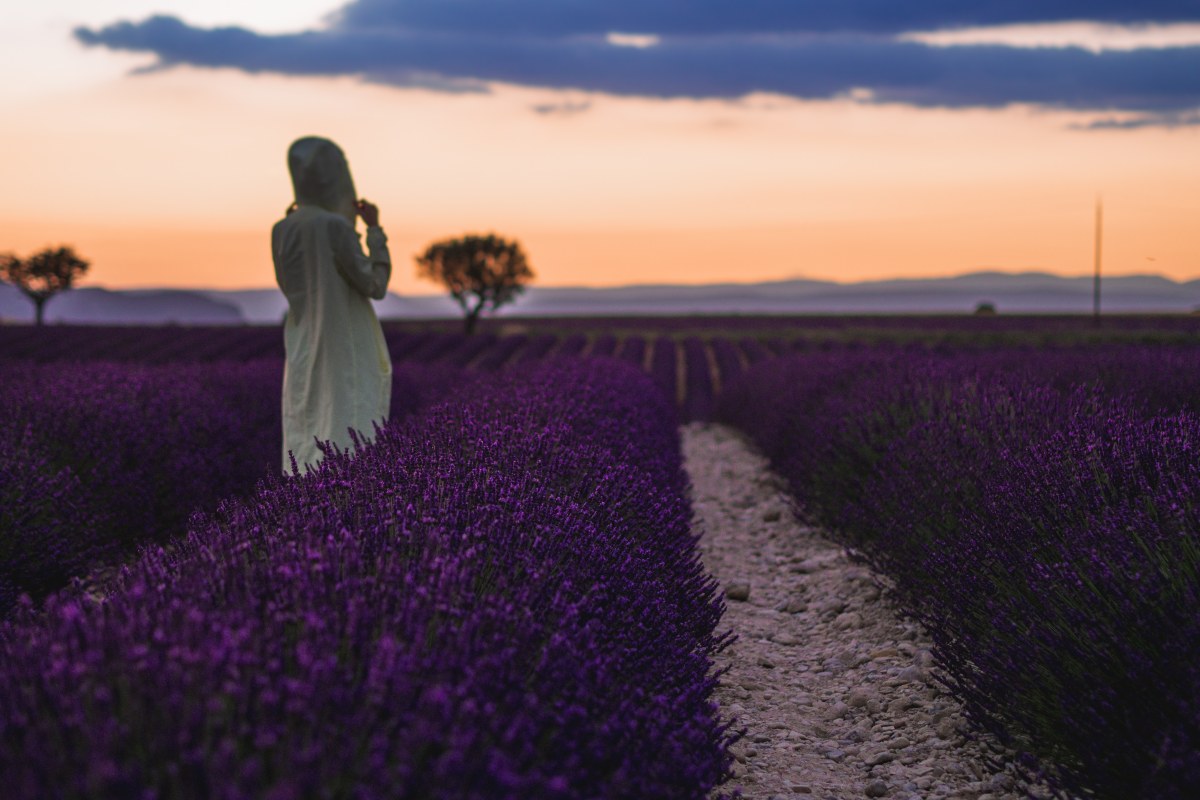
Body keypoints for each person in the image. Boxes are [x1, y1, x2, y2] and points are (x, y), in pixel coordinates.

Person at [272, 136, 392, 473]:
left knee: (306, 423)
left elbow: (289, 285)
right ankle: (343, 510)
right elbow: (375, 285)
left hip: (303, 344)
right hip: (343, 343)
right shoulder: (335, 227)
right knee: (347, 423)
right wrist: (375, 231)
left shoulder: (281, 229)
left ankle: (304, 511)